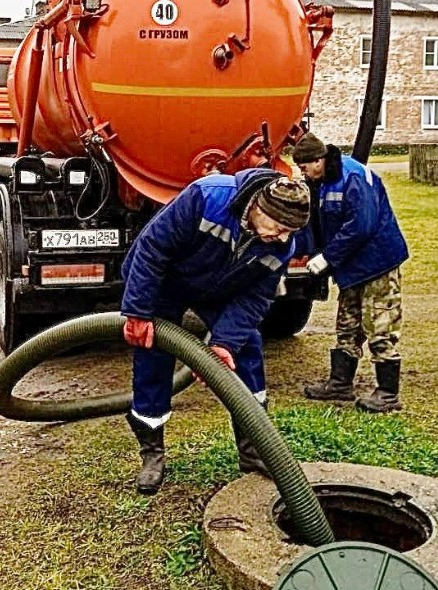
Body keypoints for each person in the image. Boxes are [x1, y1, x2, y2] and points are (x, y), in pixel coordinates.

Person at [121, 169, 312, 494]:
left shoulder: (281, 243)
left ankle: (254, 450)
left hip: (222, 289)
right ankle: (152, 452)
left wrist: (223, 343)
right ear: (258, 208)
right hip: (167, 283)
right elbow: (152, 250)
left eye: (290, 232)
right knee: (152, 355)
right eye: (279, 228)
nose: (283, 238)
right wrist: (138, 311)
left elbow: (255, 297)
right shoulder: (206, 197)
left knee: (246, 350)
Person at [290, 132, 409, 413]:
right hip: (351, 266)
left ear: (318, 160)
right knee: (347, 325)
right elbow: (316, 225)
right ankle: (340, 383)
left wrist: (327, 258)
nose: (302, 172)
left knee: (379, 325)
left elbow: (361, 226)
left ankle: (388, 393)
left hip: (377, 262)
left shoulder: (353, 177)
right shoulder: (319, 182)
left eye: (305, 167)